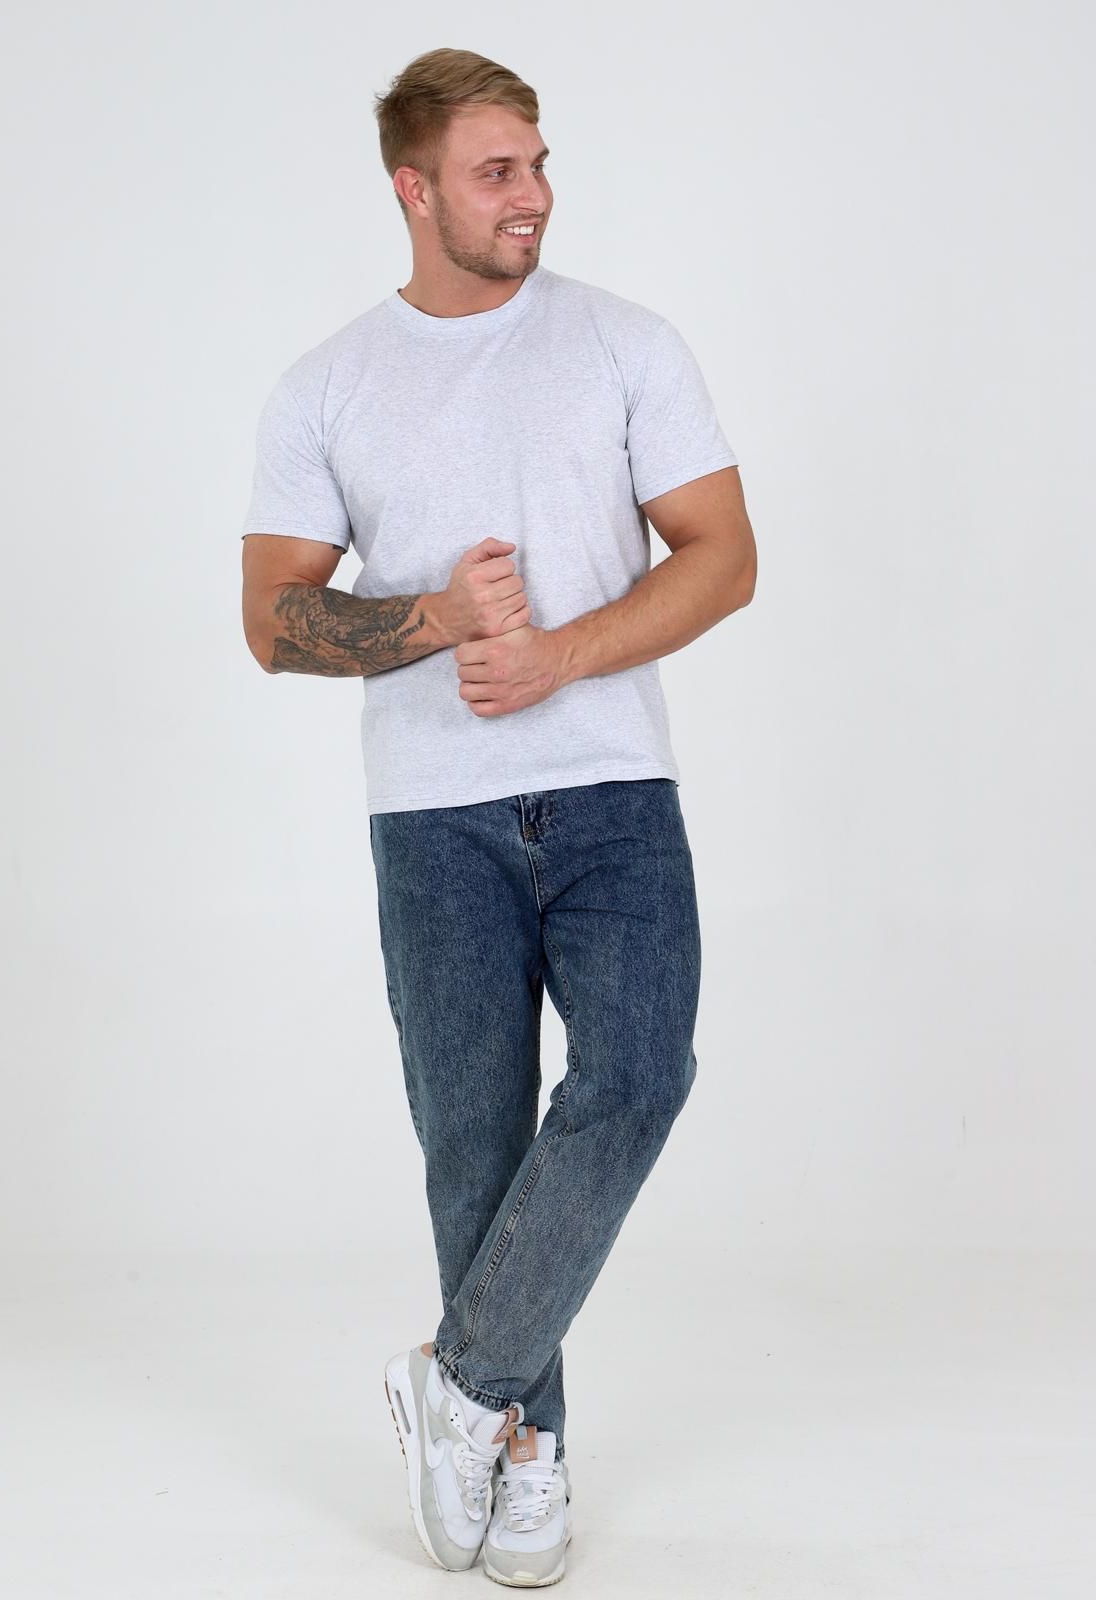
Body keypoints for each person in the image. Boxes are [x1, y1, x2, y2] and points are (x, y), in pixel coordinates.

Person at [239, 45, 756, 1588]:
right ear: (415, 190)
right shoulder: (328, 384)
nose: (532, 195)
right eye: (496, 171)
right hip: (433, 818)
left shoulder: (625, 344)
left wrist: (554, 656)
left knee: (639, 1075)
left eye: (537, 163)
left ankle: (456, 1387)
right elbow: (273, 619)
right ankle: (528, 1444)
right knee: (472, 1146)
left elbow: (723, 555)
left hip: (613, 790)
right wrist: (440, 620)